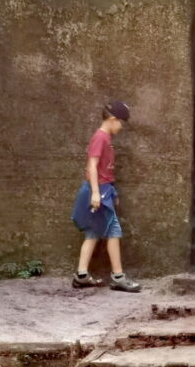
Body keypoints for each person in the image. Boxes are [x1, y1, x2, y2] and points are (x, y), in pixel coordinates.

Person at [71, 100, 141, 292]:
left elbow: (103, 170)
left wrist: (113, 192)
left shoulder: (105, 139)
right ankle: (118, 277)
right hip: (99, 191)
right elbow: (92, 166)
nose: (121, 126)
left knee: (93, 233)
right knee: (113, 231)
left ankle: (81, 275)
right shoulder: (100, 138)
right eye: (121, 122)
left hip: (104, 190)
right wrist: (96, 193)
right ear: (112, 119)